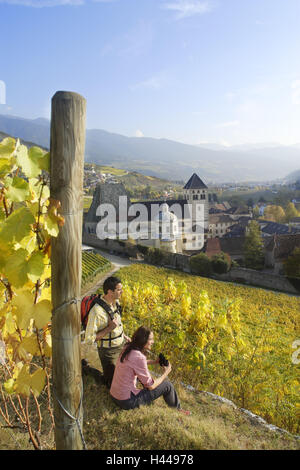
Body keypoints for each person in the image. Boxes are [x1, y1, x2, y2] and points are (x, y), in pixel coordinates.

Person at [110, 326, 190, 415]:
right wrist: (166, 373)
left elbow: (134, 364)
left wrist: (154, 362)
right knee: (167, 385)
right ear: (144, 340)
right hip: (126, 402)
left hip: (114, 395)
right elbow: (151, 386)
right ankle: (178, 410)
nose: (153, 342)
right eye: (151, 339)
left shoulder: (128, 347)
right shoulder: (139, 357)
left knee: (143, 376)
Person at [84, 276, 130, 388]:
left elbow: (116, 324)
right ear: (110, 292)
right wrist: (109, 328)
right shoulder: (97, 312)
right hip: (109, 352)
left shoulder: (116, 303)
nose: (122, 292)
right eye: (119, 290)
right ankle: (87, 369)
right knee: (111, 384)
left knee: (124, 375)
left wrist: (123, 336)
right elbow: (89, 339)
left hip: (121, 344)